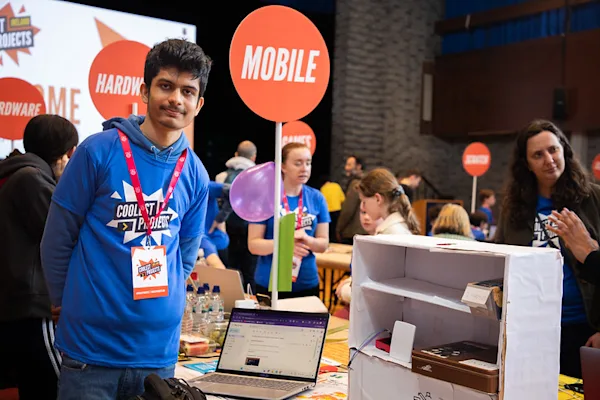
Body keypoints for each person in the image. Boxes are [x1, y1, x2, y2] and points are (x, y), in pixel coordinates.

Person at [40, 39, 212, 399]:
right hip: (91, 353)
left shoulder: (195, 173)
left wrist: (164, 308)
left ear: (199, 104)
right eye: (166, 86)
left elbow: (184, 256)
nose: (175, 99)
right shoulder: (97, 150)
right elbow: (57, 238)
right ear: (145, 90)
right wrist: (64, 301)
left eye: (187, 91)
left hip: (157, 354)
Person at [495, 119, 600, 378]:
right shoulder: (514, 208)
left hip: (584, 326)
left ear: (564, 150)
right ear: (527, 164)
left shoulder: (593, 199)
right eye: (538, 155)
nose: (549, 159)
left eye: (553, 150)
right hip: (531, 327)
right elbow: (501, 262)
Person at [0, 115, 78, 400]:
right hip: (32, 309)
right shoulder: (32, 180)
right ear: (66, 153)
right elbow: (64, 236)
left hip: (17, 305)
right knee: (61, 390)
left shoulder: (14, 173)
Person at [248, 143, 330, 299]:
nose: (304, 168)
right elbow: (253, 245)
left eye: (308, 162)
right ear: (283, 166)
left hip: (306, 283)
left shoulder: (317, 198)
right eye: (298, 163)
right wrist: (285, 245)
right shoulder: (266, 197)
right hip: (269, 283)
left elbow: (323, 244)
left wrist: (307, 239)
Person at [214, 141, 258, 291]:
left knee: (229, 271)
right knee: (250, 274)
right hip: (251, 231)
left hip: (227, 230)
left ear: (236, 155)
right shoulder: (258, 178)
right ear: (254, 157)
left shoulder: (221, 176)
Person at [358, 168, 421, 236]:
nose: (363, 207)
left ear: (378, 199)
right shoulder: (396, 226)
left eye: (364, 202)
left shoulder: (389, 232)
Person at [337, 155, 367, 244]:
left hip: (352, 232)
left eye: (349, 165)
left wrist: (339, 228)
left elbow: (348, 209)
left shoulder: (356, 183)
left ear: (358, 166)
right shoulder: (368, 182)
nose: (346, 168)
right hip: (365, 231)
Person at [317, 175, 345, 242]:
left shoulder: (323, 188)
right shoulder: (336, 186)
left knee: (330, 230)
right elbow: (343, 199)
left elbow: (321, 203)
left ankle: (331, 241)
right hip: (338, 210)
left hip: (328, 212)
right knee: (337, 228)